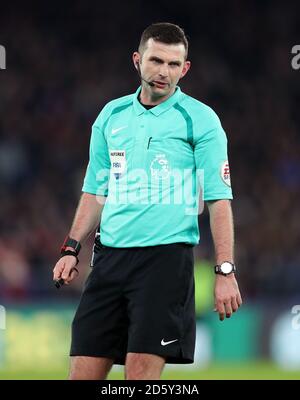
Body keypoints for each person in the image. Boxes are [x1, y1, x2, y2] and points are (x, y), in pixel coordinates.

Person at [53, 22, 242, 380]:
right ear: (138, 61)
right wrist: (70, 247)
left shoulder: (200, 120)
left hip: (164, 263)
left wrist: (225, 270)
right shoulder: (111, 116)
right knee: (80, 374)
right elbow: (95, 190)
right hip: (108, 261)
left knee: (139, 378)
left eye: (174, 65)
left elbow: (219, 199)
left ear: (184, 69)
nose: (163, 72)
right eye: (156, 61)